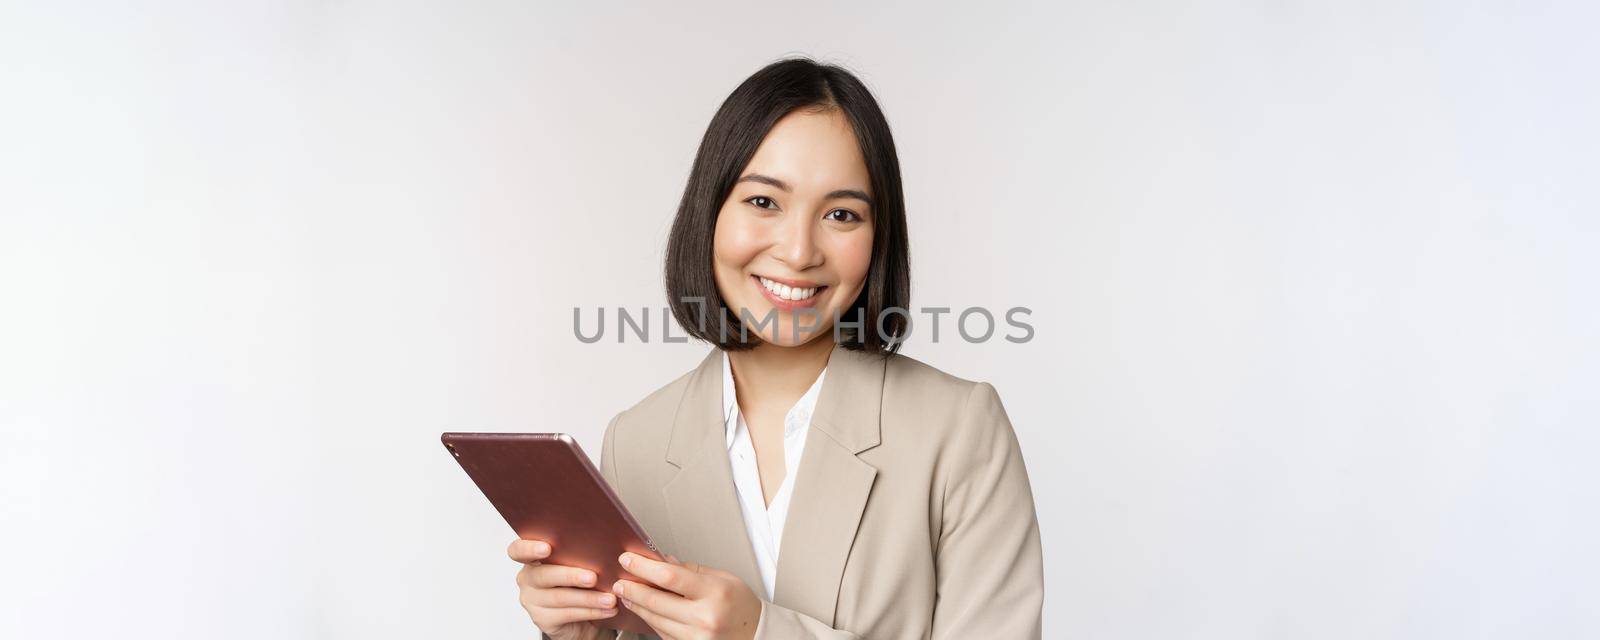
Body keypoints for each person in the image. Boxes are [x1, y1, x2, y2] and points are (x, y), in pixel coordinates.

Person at [507, 58, 1043, 639]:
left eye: (841, 214)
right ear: (709, 213)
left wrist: (759, 632)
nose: (798, 251)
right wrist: (578, 635)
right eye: (764, 202)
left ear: (878, 238)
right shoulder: (634, 441)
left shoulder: (958, 429)